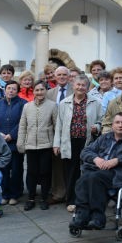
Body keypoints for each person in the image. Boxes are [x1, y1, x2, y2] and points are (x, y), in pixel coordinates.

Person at [71, 113, 122, 230]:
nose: (120, 125)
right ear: (112, 125)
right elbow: (85, 151)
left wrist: (117, 160)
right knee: (82, 180)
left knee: (93, 178)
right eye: (117, 122)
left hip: (116, 173)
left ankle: (98, 217)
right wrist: (95, 159)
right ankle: (82, 215)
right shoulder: (104, 138)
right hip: (97, 170)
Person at [54, 75, 103, 213]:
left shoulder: (96, 102)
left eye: (83, 85)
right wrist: (56, 144)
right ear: (73, 86)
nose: (80, 87)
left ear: (88, 87)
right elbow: (59, 124)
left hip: (87, 142)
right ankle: (71, 200)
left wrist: (97, 127)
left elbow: (102, 120)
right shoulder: (64, 103)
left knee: (86, 172)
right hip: (69, 142)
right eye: (78, 85)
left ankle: (85, 200)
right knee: (70, 173)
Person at [16, 81, 58, 211]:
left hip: (46, 145)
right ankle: (31, 198)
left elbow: (57, 126)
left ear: (46, 91)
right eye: (37, 90)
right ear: (33, 91)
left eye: (42, 90)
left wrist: (56, 144)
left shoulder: (52, 106)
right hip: (31, 146)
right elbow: (23, 126)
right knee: (31, 172)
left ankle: (44, 198)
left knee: (45, 172)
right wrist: (20, 142)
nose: (39, 92)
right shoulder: (27, 106)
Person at [0, 80, 26, 206]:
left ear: (18, 91)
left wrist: (12, 135)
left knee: (16, 170)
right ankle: (5, 194)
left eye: (14, 89)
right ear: (5, 90)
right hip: (1, 144)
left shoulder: (23, 104)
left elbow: (23, 122)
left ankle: (15, 194)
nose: (11, 91)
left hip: (15, 143)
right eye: (9, 88)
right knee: (3, 169)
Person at [46, 65, 74, 204]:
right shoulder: (50, 93)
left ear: (69, 77)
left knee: (70, 164)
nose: (62, 77)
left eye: (64, 75)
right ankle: (58, 193)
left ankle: (71, 194)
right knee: (56, 164)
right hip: (54, 133)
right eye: (59, 75)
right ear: (55, 77)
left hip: (71, 132)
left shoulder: (76, 90)